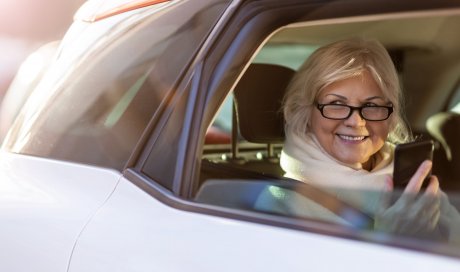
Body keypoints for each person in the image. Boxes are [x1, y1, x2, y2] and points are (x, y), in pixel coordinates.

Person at [277, 37, 460, 241]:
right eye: (336, 103)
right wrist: (389, 238)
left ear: (390, 116)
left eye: (372, 106)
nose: (356, 121)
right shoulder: (281, 203)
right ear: (306, 112)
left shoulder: (412, 182)